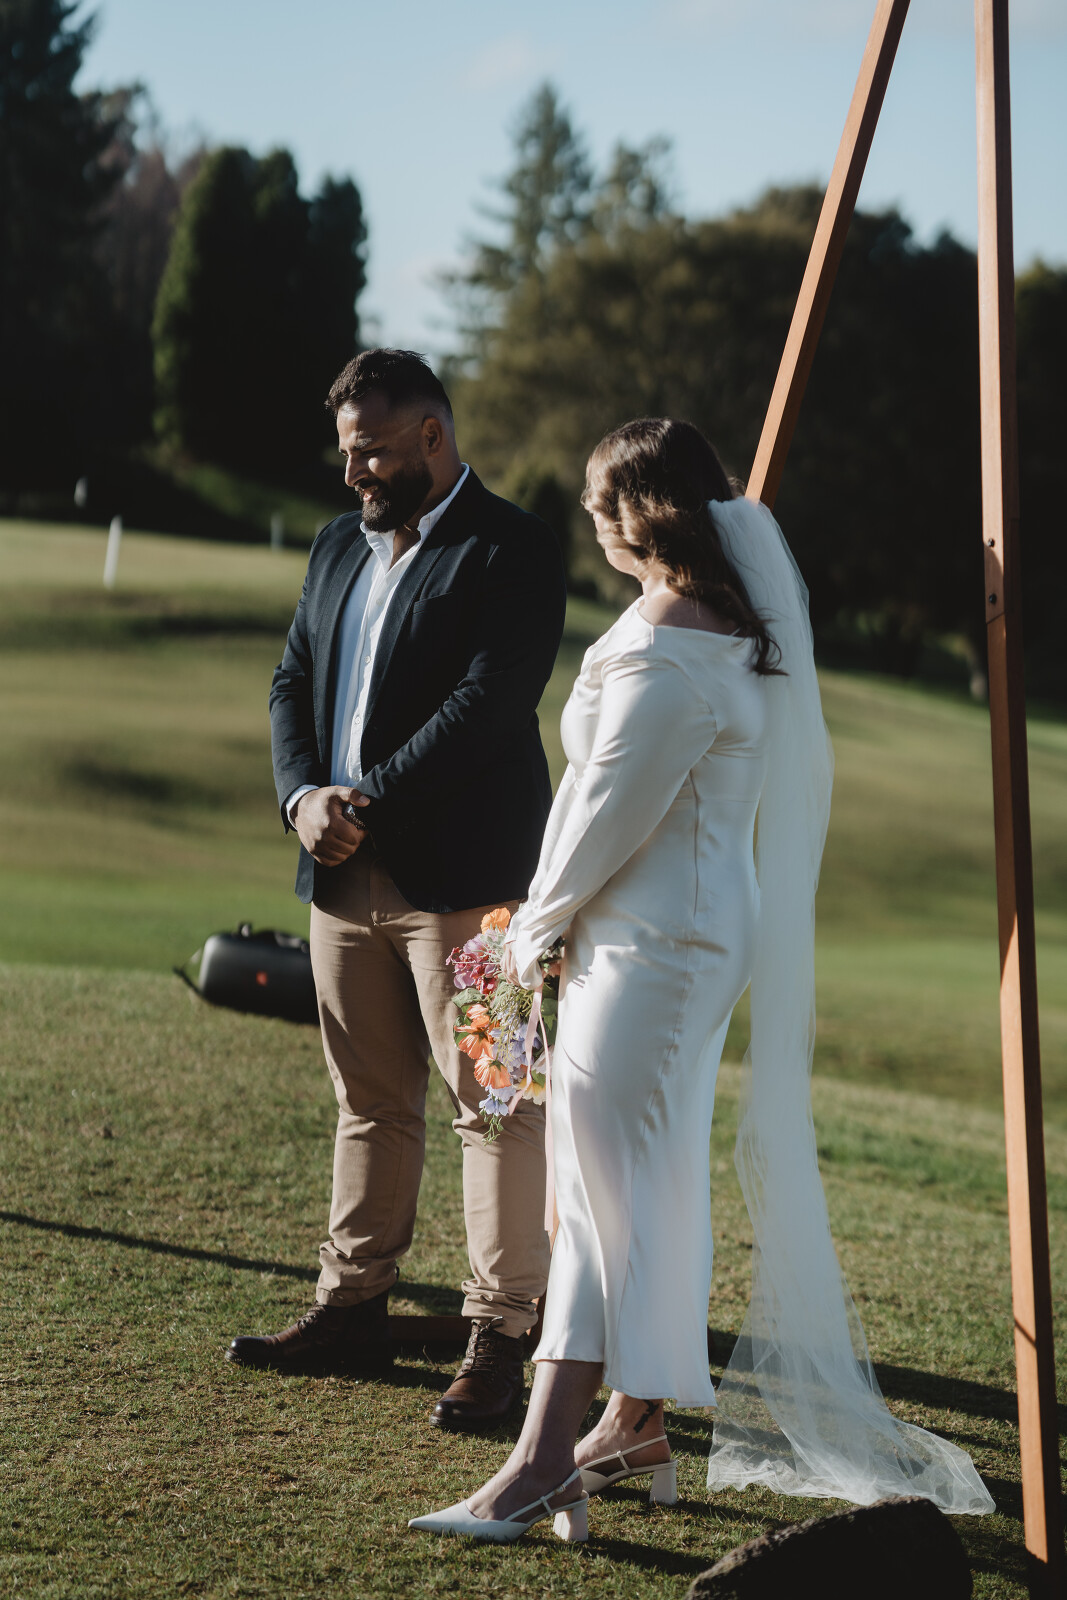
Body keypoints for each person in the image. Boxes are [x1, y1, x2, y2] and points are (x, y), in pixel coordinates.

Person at [409, 418, 994, 1541]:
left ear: (636, 513)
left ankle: (540, 1460)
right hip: (669, 933)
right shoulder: (714, 621)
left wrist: (526, 936)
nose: (589, 521)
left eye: (598, 503)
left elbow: (603, 813)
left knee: (598, 1190)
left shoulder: (675, 650)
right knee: (646, 1176)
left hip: (653, 945)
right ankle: (630, 1421)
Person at [227, 349, 567, 1435]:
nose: (353, 474)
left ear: (432, 435)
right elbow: (291, 678)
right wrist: (300, 798)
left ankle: (501, 1336)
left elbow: (489, 702)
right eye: (345, 453)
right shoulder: (336, 543)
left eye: (371, 451)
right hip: (337, 880)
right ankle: (352, 1306)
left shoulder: (515, 547)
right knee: (368, 1100)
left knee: (498, 1105)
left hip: (478, 889)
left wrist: (361, 799)